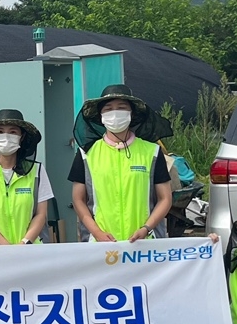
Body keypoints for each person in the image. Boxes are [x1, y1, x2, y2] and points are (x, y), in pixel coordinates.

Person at [69, 84, 173, 243]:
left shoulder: (152, 152)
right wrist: (97, 233)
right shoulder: (86, 154)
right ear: (101, 116)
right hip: (100, 244)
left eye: (121, 107)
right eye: (108, 109)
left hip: (144, 244)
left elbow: (165, 198)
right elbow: (78, 200)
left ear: (132, 114)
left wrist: (146, 228)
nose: (114, 113)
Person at [0, 108, 54, 245]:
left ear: (21, 137)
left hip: (30, 251)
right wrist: (6, 248)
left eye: (13, 132)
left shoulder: (37, 171)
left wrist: (24, 243)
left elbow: (41, 214)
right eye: (0, 132)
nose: (6, 137)